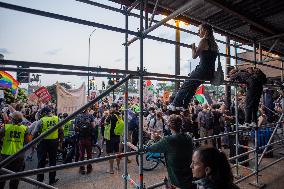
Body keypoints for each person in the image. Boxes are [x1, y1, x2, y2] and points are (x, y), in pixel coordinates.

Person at [168, 23, 218, 111]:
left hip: (202, 70)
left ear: (205, 30)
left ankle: (175, 104)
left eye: (199, 30)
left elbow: (194, 56)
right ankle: (184, 106)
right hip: (210, 72)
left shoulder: (204, 41)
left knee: (186, 84)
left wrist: (193, 48)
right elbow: (207, 57)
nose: (198, 32)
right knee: (192, 87)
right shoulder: (214, 44)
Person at [146, 114, 194, 189]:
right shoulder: (188, 137)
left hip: (176, 179)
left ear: (169, 126)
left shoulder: (168, 140)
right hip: (189, 176)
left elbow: (150, 149)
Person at [33, 107, 63, 185]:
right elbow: (61, 131)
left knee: (41, 162)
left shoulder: (41, 120)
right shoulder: (57, 119)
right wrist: (60, 143)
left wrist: (34, 143)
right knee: (53, 161)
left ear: (44, 113)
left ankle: (39, 181)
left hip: (43, 143)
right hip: (54, 142)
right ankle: (52, 180)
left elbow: (35, 133)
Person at [0, 112, 29, 189]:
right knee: (15, 178)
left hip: (6, 155)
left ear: (12, 119)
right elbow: (27, 142)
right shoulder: (25, 128)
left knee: (2, 177)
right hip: (19, 156)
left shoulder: (6, 127)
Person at [74, 108, 96, 174]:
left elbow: (75, 127)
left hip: (81, 138)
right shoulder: (90, 116)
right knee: (89, 154)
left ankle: (82, 168)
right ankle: (89, 168)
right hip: (89, 138)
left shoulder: (78, 117)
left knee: (81, 154)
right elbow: (94, 126)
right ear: (87, 110)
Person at [105, 103, 121, 174]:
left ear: (114, 108)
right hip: (117, 135)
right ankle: (118, 166)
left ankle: (111, 169)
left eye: (111, 107)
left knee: (110, 153)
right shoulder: (119, 115)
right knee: (117, 151)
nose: (110, 109)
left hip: (110, 137)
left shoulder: (110, 116)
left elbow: (105, 124)